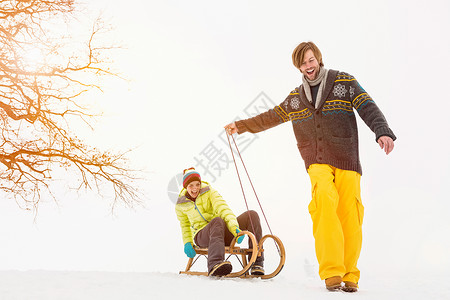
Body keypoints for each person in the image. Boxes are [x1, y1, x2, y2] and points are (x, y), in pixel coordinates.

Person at [224, 41, 396, 292]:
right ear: (299, 67)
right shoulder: (296, 99)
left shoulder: (344, 82)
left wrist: (382, 131)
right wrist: (241, 125)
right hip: (317, 161)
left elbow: (367, 106)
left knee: (350, 215)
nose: (308, 66)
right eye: (303, 63)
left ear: (319, 59)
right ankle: (332, 272)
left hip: (347, 158)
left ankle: (350, 274)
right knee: (324, 202)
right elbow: (272, 116)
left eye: (311, 60)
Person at [175, 167, 265, 277]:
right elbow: (184, 225)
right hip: (202, 236)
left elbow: (223, 208)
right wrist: (187, 243)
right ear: (185, 187)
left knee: (252, 215)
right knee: (217, 221)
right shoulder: (181, 204)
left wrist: (233, 227)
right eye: (191, 185)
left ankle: (257, 262)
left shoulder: (209, 192)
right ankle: (215, 263)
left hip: (220, 231)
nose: (195, 188)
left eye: (197, 184)